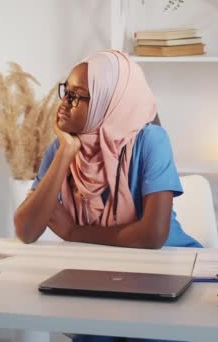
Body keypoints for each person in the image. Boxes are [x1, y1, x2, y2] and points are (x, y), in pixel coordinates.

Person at [14, 50, 200, 250]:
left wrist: (74, 232)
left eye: (76, 95)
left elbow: (153, 235)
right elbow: (27, 231)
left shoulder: (151, 141)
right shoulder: (62, 147)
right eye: (66, 91)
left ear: (108, 103)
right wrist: (66, 152)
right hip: (105, 267)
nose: (64, 103)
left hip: (174, 262)